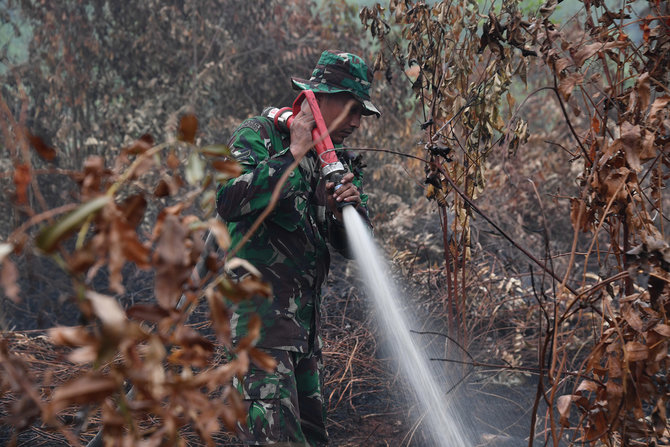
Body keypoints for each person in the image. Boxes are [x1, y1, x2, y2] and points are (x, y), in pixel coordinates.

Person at [216, 50, 380, 446]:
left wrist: (346, 212)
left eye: (363, 112)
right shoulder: (260, 134)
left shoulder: (337, 161)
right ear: (320, 97)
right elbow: (229, 201)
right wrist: (293, 154)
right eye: (352, 108)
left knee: (311, 438)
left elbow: (357, 248)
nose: (357, 122)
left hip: (305, 335)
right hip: (261, 330)